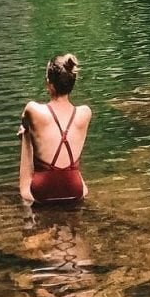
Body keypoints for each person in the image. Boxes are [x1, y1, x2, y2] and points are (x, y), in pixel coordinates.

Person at [18, 53, 91, 204]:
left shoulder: (32, 109)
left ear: (49, 85)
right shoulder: (85, 112)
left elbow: (24, 122)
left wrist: (26, 136)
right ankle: (73, 181)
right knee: (74, 151)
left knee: (25, 133)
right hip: (75, 191)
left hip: (42, 193)